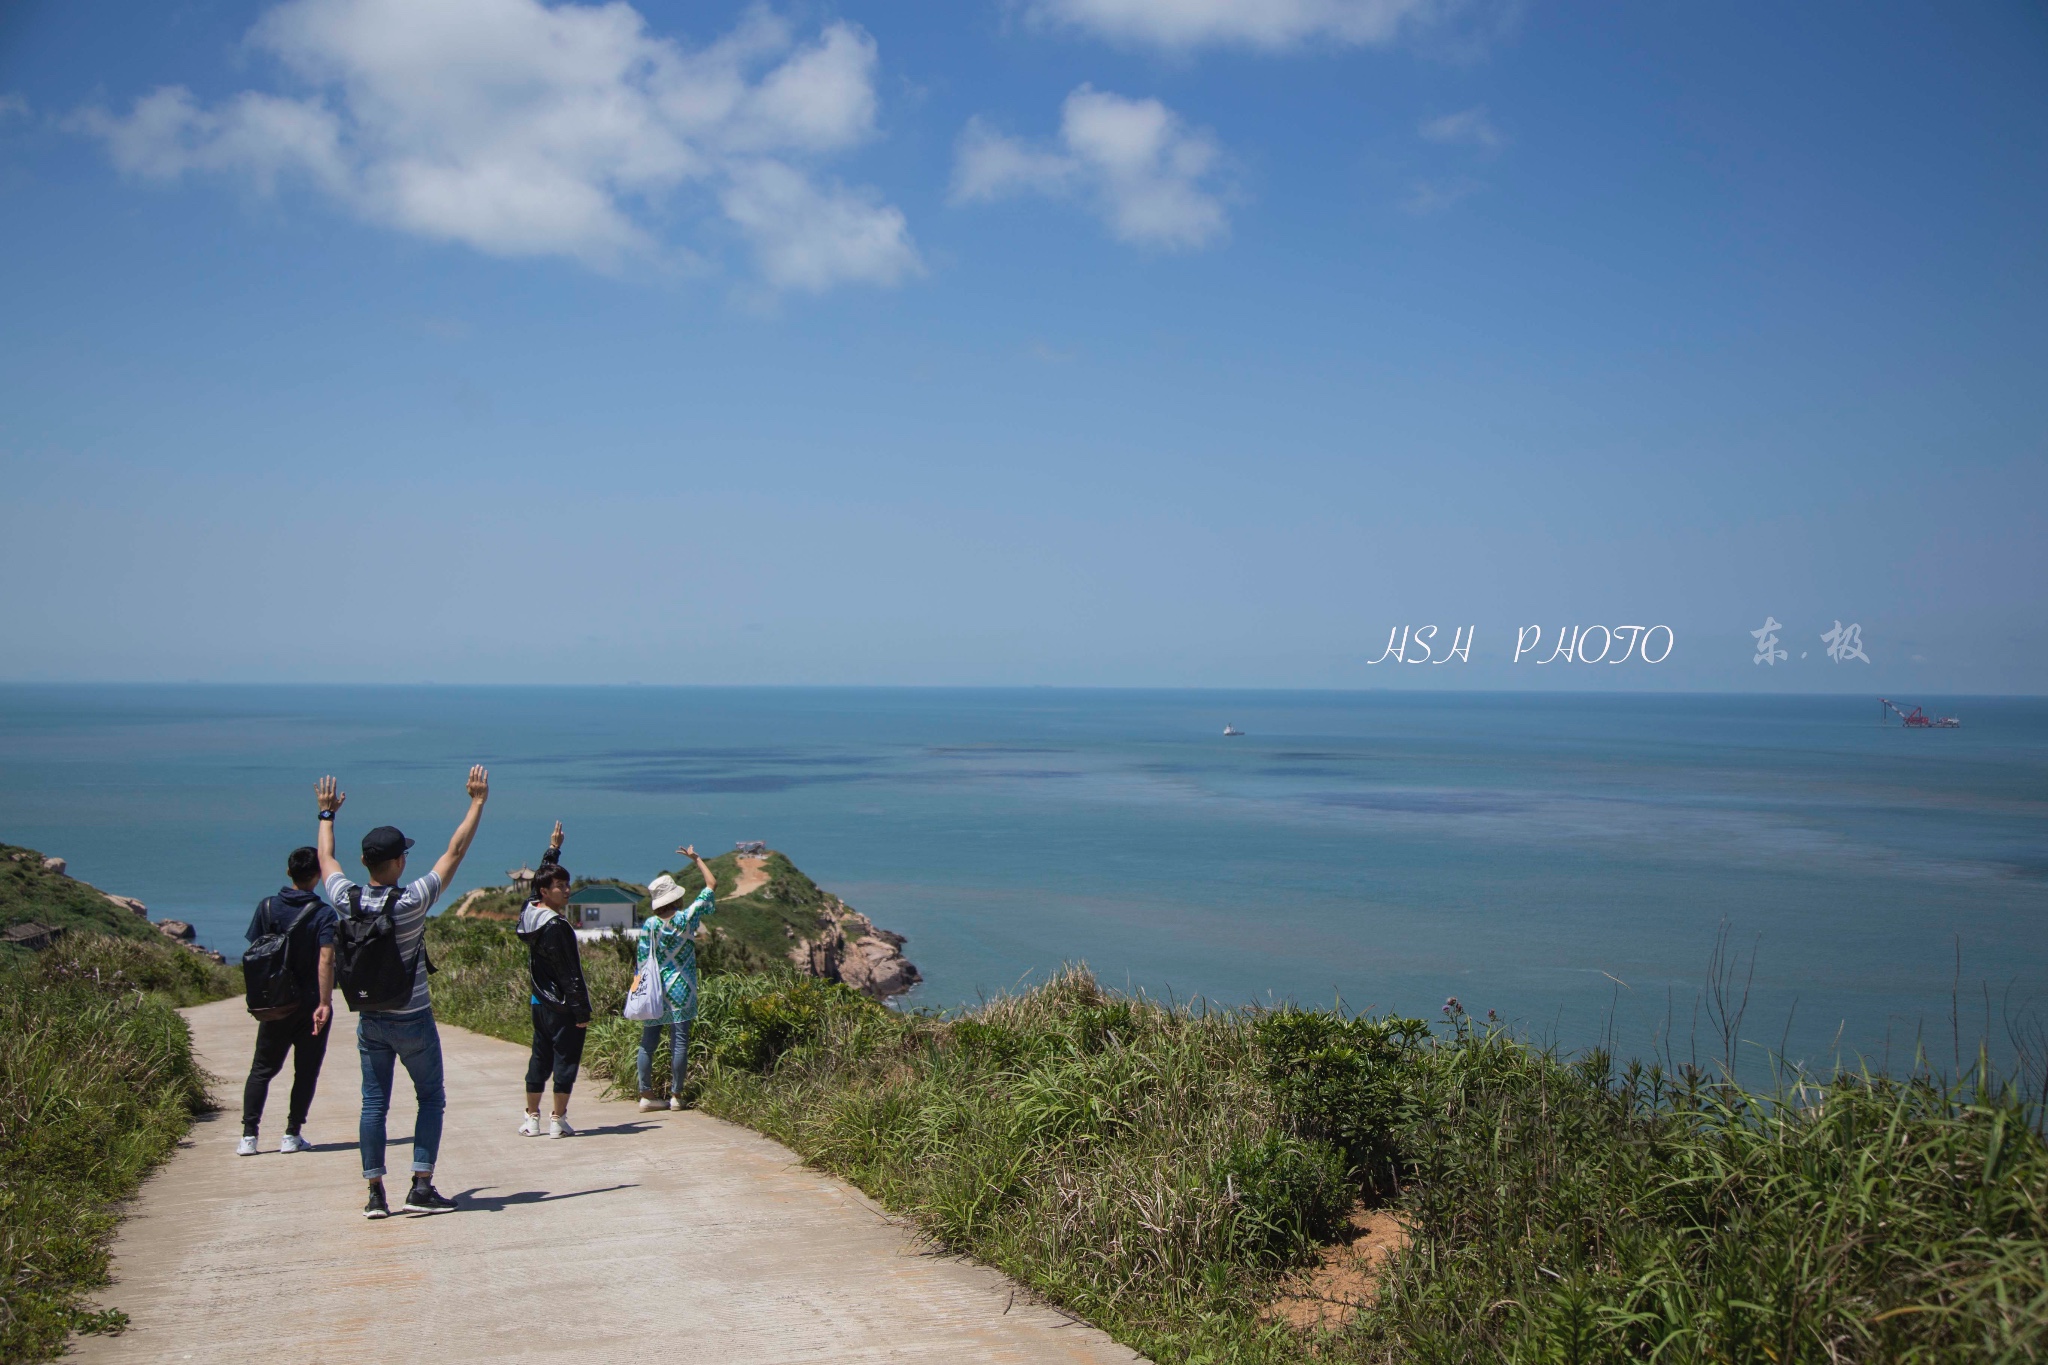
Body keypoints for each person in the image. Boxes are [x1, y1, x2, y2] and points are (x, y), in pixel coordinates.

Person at [315, 766, 487, 1220]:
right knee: (430, 1097)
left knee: (374, 1102)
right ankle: (421, 1186)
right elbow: (455, 851)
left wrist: (326, 815)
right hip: (412, 1017)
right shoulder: (410, 902)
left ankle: (375, 1193)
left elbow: (327, 863)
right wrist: (476, 802)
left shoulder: (345, 898)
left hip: (370, 1018)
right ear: (396, 863)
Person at [237, 845, 338, 1155]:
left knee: (261, 1070)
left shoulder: (266, 908)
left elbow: (256, 953)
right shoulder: (323, 913)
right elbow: (326, 958)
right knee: (305, 1071)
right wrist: (324, 1002)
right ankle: (292, 1135)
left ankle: (248, 1137)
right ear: (319, 877)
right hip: (308, 1003)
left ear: (288, 872)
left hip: (274, 1003)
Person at [516, 820, 591, 1139]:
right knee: (566, 1061)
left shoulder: (530, 912)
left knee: (539, 1057)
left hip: (538, 1001)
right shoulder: (557, 928)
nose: (566, 889)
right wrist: (581, 1011)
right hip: (561, 1006)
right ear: (548, 892)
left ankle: (531, 1118)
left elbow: (538, 883)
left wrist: (553, 850)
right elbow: (569, 973)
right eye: (560, 886)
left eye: (566, 884)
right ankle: (557, 1120)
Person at [635, 845, 717, 1112]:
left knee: (648, 1042)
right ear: (676, 898)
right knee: (679, 1043)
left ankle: (646, 1095)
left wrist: (638, 987)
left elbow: (641, 961)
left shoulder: (650, 924)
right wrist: (696, 858)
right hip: (682, 988)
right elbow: (712, 883)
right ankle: (676, 1096)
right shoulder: (687, 918)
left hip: (656, 990)